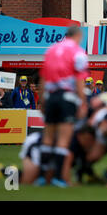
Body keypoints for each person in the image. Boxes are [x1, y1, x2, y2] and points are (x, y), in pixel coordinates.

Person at [37, 25, 89, 187]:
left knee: (47, 138)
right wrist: (83, 103)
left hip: (51, 96)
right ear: (78, 36)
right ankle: (58, 178)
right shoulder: (78, 52)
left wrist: (42, 101)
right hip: (67, 98)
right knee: (63, 140)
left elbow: (43, 78)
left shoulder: (51, 50)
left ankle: (42, 177)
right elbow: (79, 81)